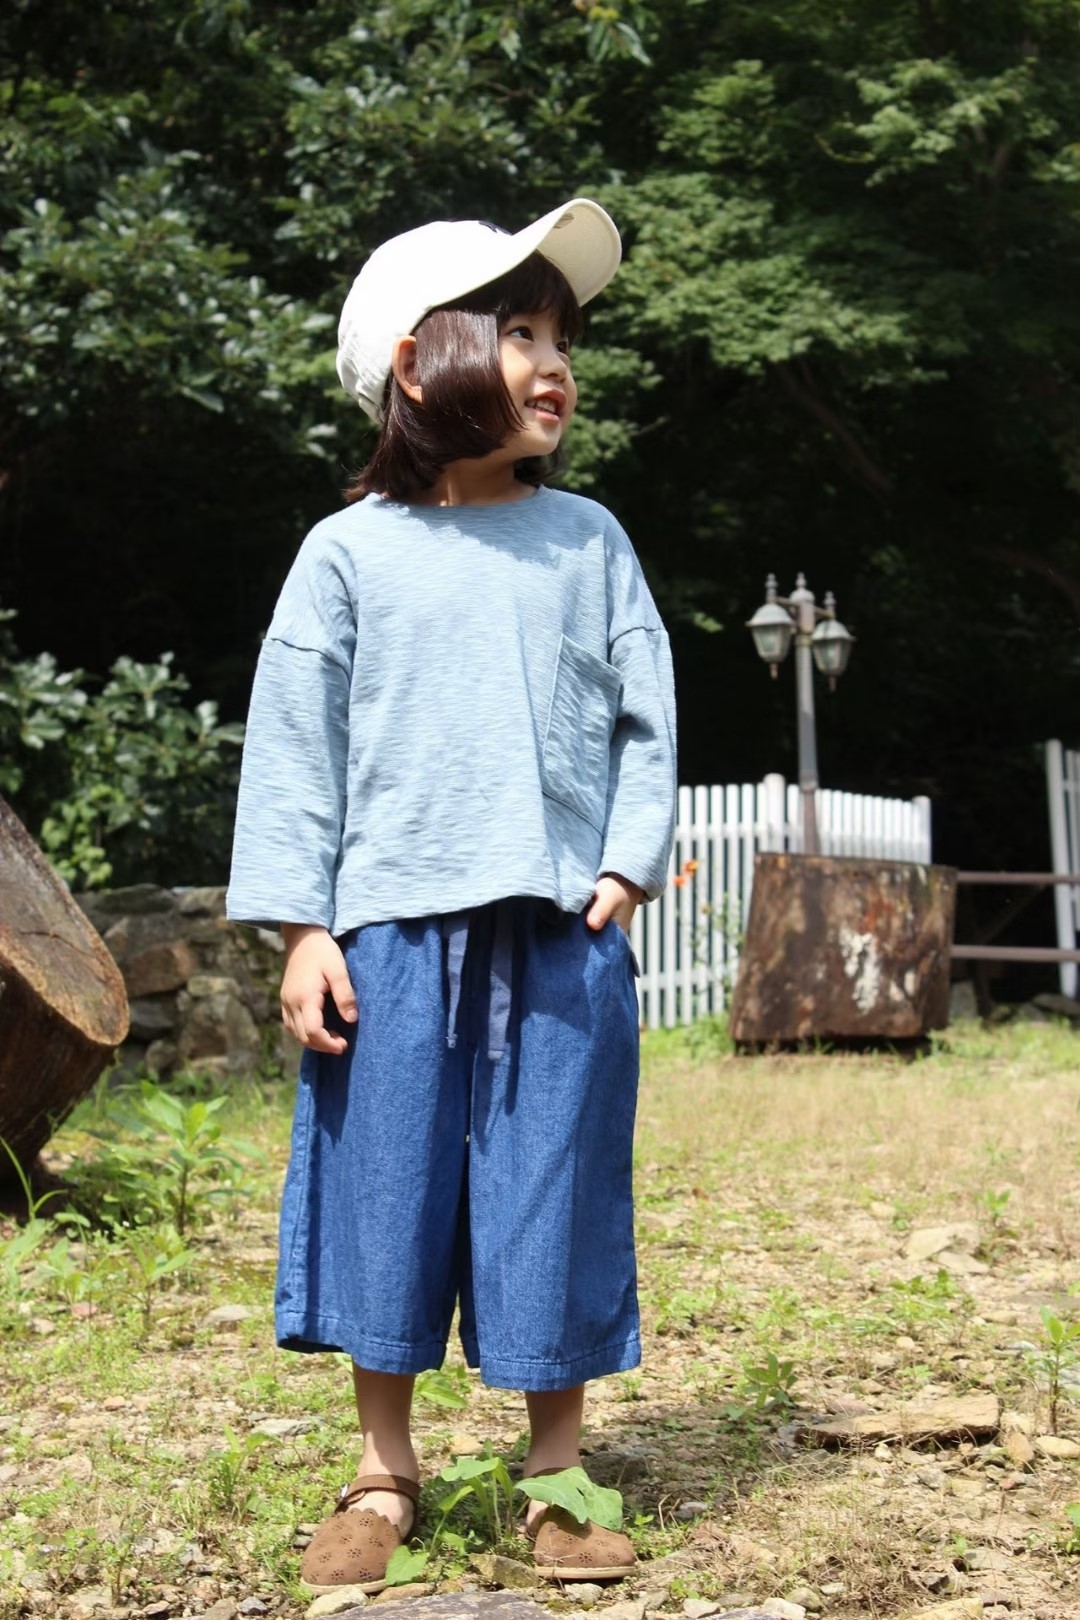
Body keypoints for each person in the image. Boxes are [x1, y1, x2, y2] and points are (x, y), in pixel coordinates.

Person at [225, 196, 677, 1597]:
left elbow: (646, 717)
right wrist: (304, 927)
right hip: (389, 939)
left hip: (556, 929)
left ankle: (559, 1471)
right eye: (520, 332)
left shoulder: (589, 540)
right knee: (387, 1190)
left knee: (553, 1183)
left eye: (561, 339)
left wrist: (627, 859)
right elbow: (295, 748)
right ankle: (383, 1470)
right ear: (420, 366)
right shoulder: (347, 552)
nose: (555, 364)